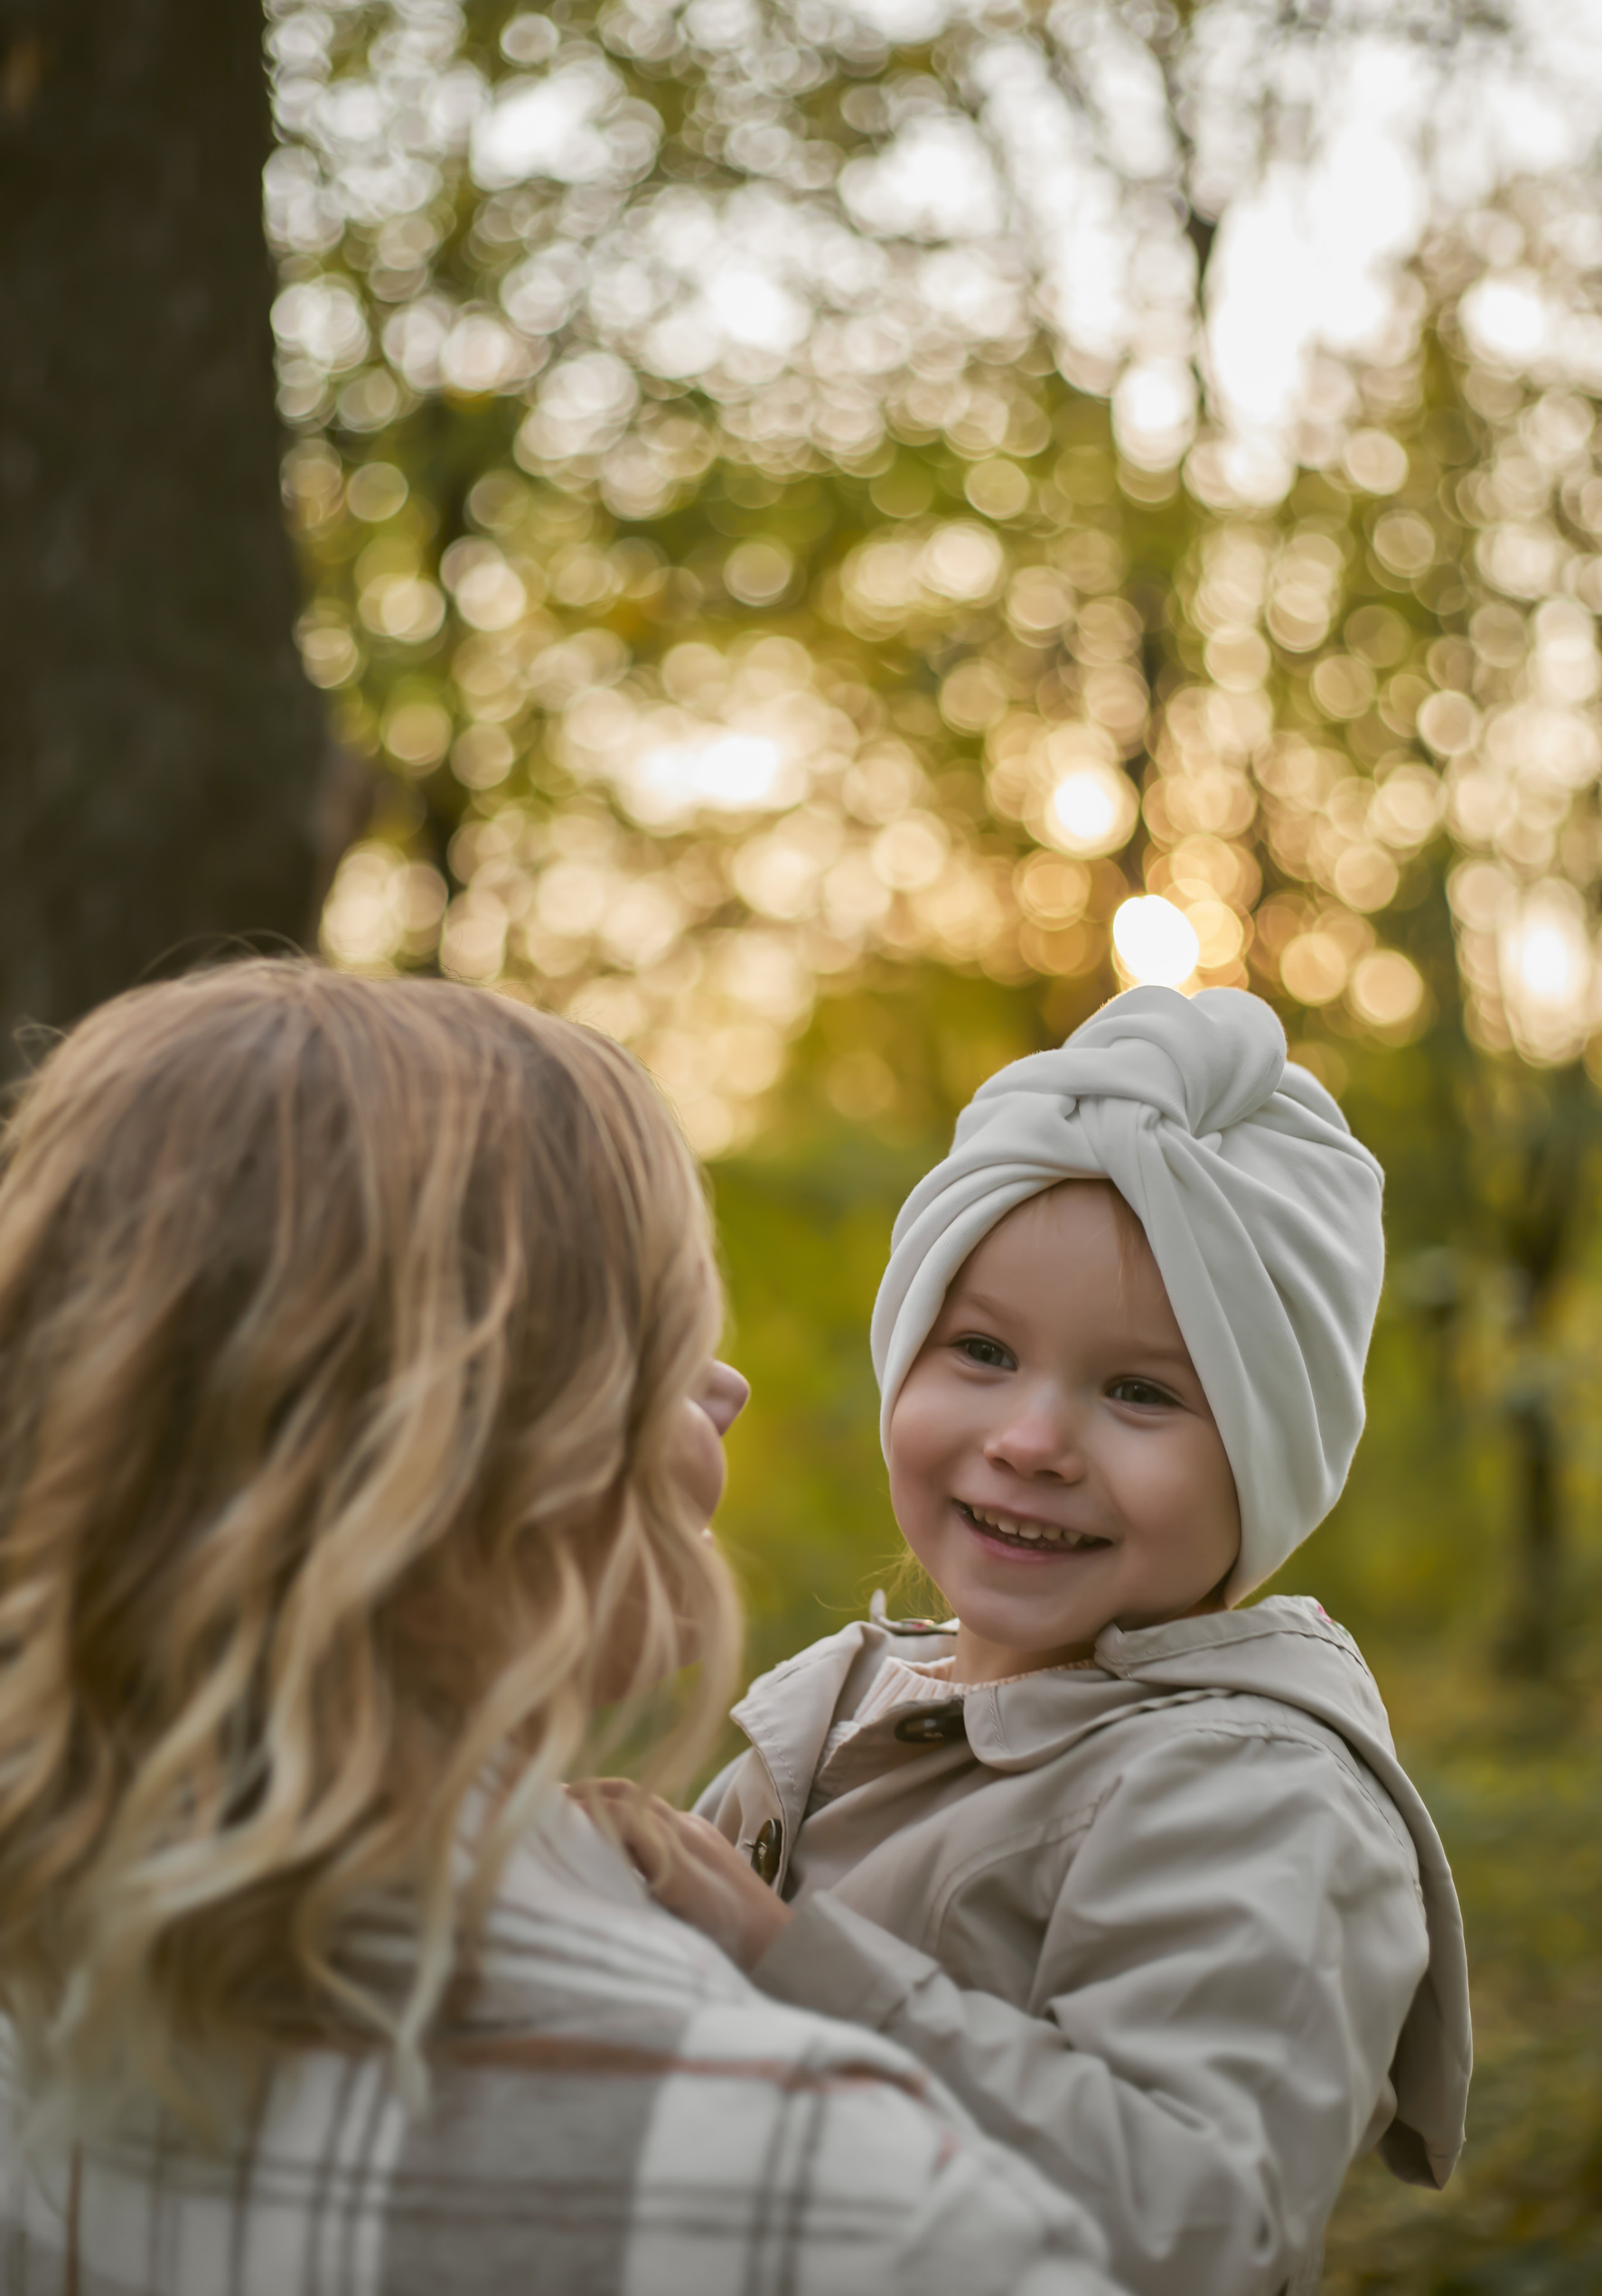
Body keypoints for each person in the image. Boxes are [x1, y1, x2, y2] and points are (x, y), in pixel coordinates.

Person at [0, 961, 1125, 2296]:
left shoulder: (47, 1984)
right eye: (657, 1335)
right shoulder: (846, 2195)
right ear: (449, 1451)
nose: (728, 1385)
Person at [617, 984, 1474, 2296]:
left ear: (1267, 1459)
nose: (1029, 1442)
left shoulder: (1258, 1797)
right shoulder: (835, 1709)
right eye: (979, 1350)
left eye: (1138, 1391)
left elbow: (1196, 2230)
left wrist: (782, 1959)